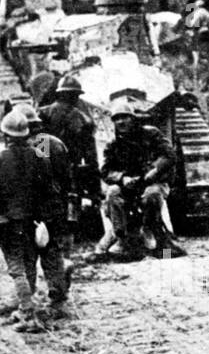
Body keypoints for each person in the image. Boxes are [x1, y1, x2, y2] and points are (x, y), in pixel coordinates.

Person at [0, 110, 54, 332]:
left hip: (8, 222)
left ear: (6, 135)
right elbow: (48, 190)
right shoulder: (40, 156)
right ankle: (24, 309)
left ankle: (28, 314)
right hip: (33, 221)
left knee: (16, 268)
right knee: (29, 264)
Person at [94, 99, 183, 260]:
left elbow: (169, 155)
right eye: (116, 119)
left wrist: (154, 171)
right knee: (113, 193)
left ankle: (150, 231)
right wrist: (122, 178)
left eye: (125, 117)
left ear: (133, 119)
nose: (121, 122)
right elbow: (105, 171)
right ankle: (122, 237)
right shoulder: (113, 145)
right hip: (129, 186)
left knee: (152, 195)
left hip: (153, 182)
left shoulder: (151, 134)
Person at [17, 104, 73, 321]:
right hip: (56, 205)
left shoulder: (39, 143)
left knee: (33, 253)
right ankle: (58, 295)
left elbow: (42, 177)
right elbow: (65, 178)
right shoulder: (55, 142)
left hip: (40, 207)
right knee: (52, 252)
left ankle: (30, 299)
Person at [39, 74, 99, 225]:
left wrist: (44, 165)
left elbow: (40, 145)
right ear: (76, 96)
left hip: (49, 167)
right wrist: (95, 189)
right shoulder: (84, 119)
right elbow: (91, 156)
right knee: (73, 197)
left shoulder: (43, 114)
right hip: (73, 169)